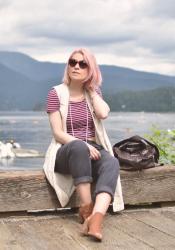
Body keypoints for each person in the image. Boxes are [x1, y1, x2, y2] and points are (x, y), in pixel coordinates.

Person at [43, 48, 124, 241]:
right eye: (72, 62)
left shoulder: (93, 92)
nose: (76, 67)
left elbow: (103, 114)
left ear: (91, 70)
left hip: (92, 149)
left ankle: (96, 219)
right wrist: (81, 143)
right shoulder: (56, 93)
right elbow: (58, 133)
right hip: (65, 150)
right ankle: (86, 210)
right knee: (79, 147)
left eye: (83, 64)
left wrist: (92, 90)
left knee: (112, 162)